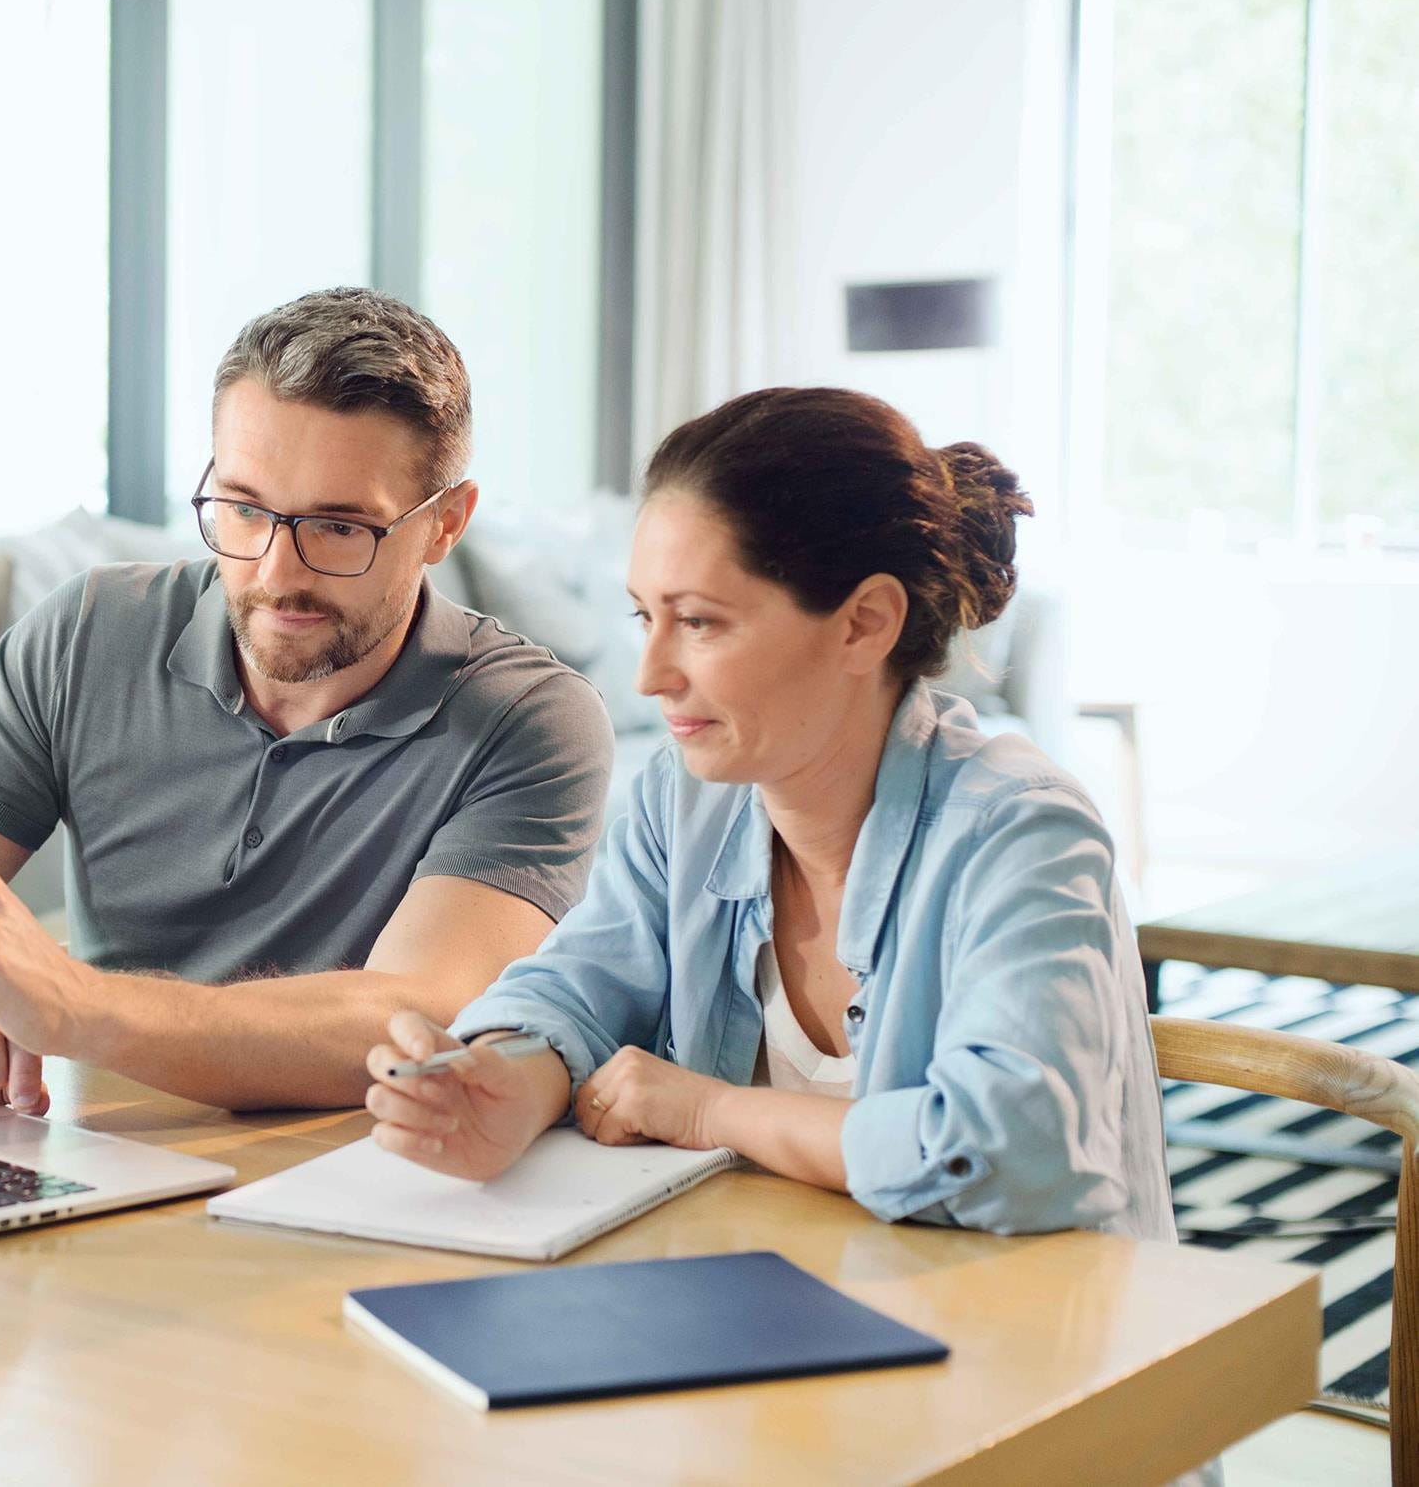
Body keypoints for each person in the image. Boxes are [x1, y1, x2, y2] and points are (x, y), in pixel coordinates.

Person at [367, 385, 1173, 1240]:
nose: (649, 676)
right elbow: (578, 991)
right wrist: (501, 1080)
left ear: (864, 624)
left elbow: (1012, 1152)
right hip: (777, 1293)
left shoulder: (1021, 834)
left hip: (1023, 1316)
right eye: (645, 616)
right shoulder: (683, 802)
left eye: (699, 622)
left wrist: (708, 1111)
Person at [0, 287, 614, 1113]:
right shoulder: (87, 635)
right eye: (243, 509)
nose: (276, 573)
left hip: (338, 1163)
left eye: (340, 527)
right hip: (83, 1140)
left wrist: (77, 1004)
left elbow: (418, 1018)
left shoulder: (531, 720)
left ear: (445, 523)